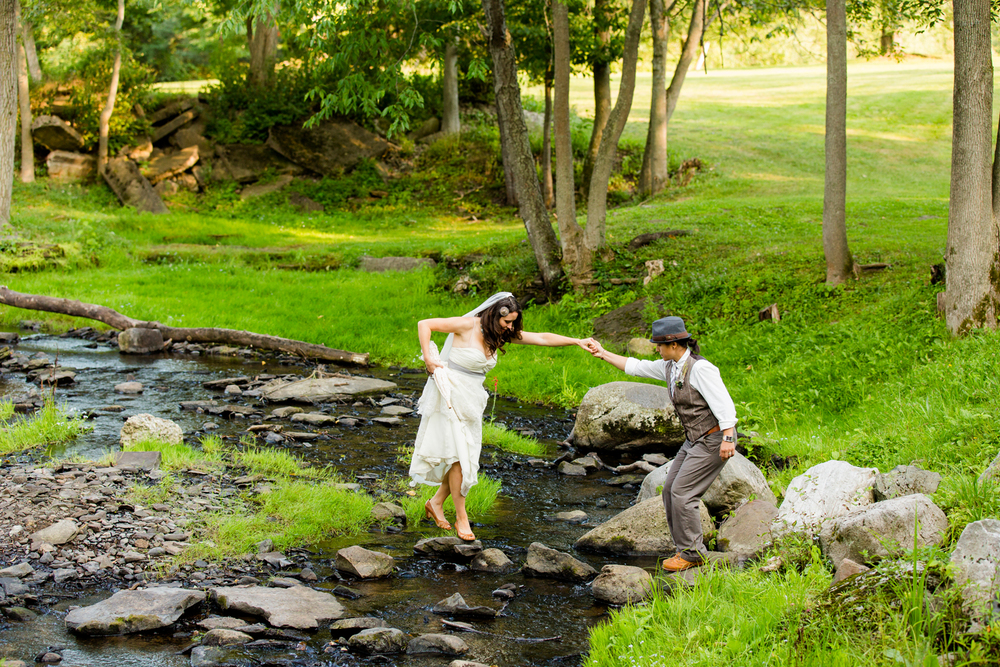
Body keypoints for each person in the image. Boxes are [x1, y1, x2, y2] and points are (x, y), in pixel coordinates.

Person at [410, 292, 593, 541]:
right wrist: (430, 359)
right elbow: (425, 324)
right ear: (494, 314)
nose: (509, 327)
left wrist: (575, 340)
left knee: (463, 455)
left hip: (472, 399)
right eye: (506, 322)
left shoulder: (499, 334)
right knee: (459, 457)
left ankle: (436, 502)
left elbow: (541, 338)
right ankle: (461, 517)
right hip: (450, 394)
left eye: (513, 324)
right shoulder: (467, 325)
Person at [587, 316, 737, 571]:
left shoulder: (701, 369)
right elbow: (634, 366)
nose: (656, 349)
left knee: (683, 493)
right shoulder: (669, 366)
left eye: (659, 345)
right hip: (693, 439)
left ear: (674, 344)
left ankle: (693, 554)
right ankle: (685, 548)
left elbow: (724, 404)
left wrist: (728, 438)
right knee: (669, 490)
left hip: (713, 439)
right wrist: (602, 353)